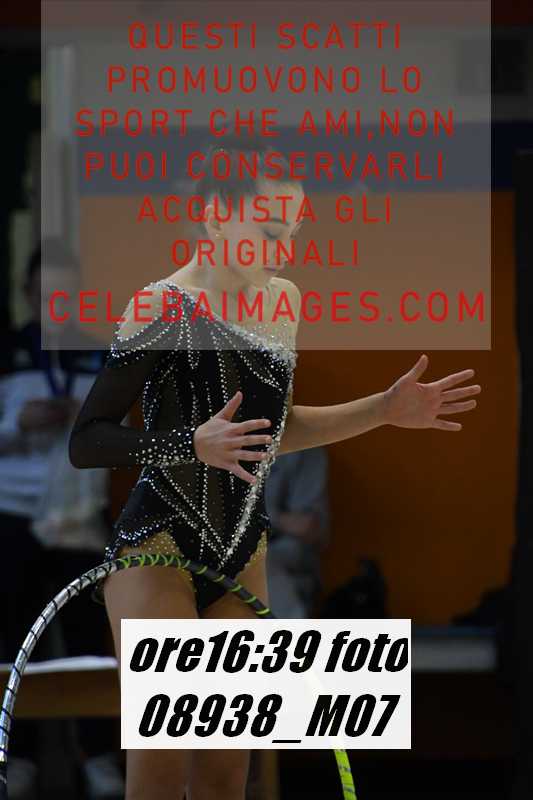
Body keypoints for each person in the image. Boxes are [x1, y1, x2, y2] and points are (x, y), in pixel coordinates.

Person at [68, 135, 481, 800]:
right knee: (163, 757)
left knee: (228, 771)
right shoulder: (160, 307)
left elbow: (272, 433)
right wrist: (189, 443)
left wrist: (383, 408)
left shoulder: (281, 304)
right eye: (268, 231)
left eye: (291, 234)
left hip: (242, 549)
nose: (283, 251)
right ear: (215, 217)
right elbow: (87, 441)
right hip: (158, 545)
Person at [0, 239, 124, 799]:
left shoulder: (102, 354)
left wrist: (92, 426)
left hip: (80, 519)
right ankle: (18, 759)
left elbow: (126, 441)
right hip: (14, 515)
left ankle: (99, 759)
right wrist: (18, 425)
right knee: (12, 642)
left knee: (89, 641)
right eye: (44, 289)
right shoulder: (6, 351)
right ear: (27, 292)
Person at [264, 447, 330, 618]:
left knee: (262, 571)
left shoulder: (307, 449)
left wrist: (266, 517)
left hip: (279, 551)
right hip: (223, 553)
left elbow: (308, 527)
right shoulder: (217, 441)